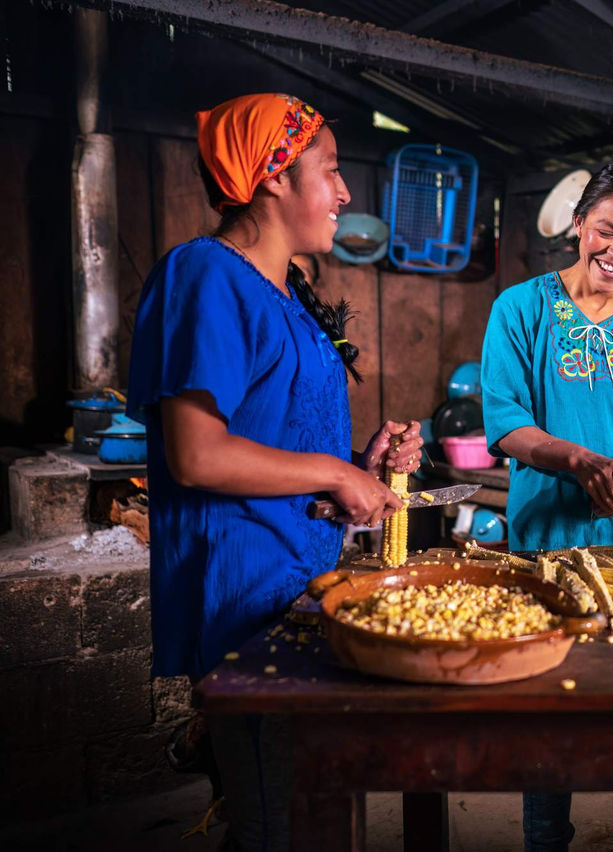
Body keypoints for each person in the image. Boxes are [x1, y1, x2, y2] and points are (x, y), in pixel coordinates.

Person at [127, 93, 424, 850]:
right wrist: (331, 471)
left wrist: (360, 470)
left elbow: (274, 444)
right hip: (247, 600)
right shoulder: (206, 275)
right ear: (273, 178)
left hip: (299, 588)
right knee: (279, 825)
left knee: (307, 811)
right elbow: (196, 454)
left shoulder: (287, 296)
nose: (346, 193)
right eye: (330, 171)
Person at [481, 162, 613, 852]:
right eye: (608, 230)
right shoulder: (520, 309)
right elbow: (508, 421)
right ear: (579, 225)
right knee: (550, 702)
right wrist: (577, 461)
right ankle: (546, 835)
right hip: (547, 537)